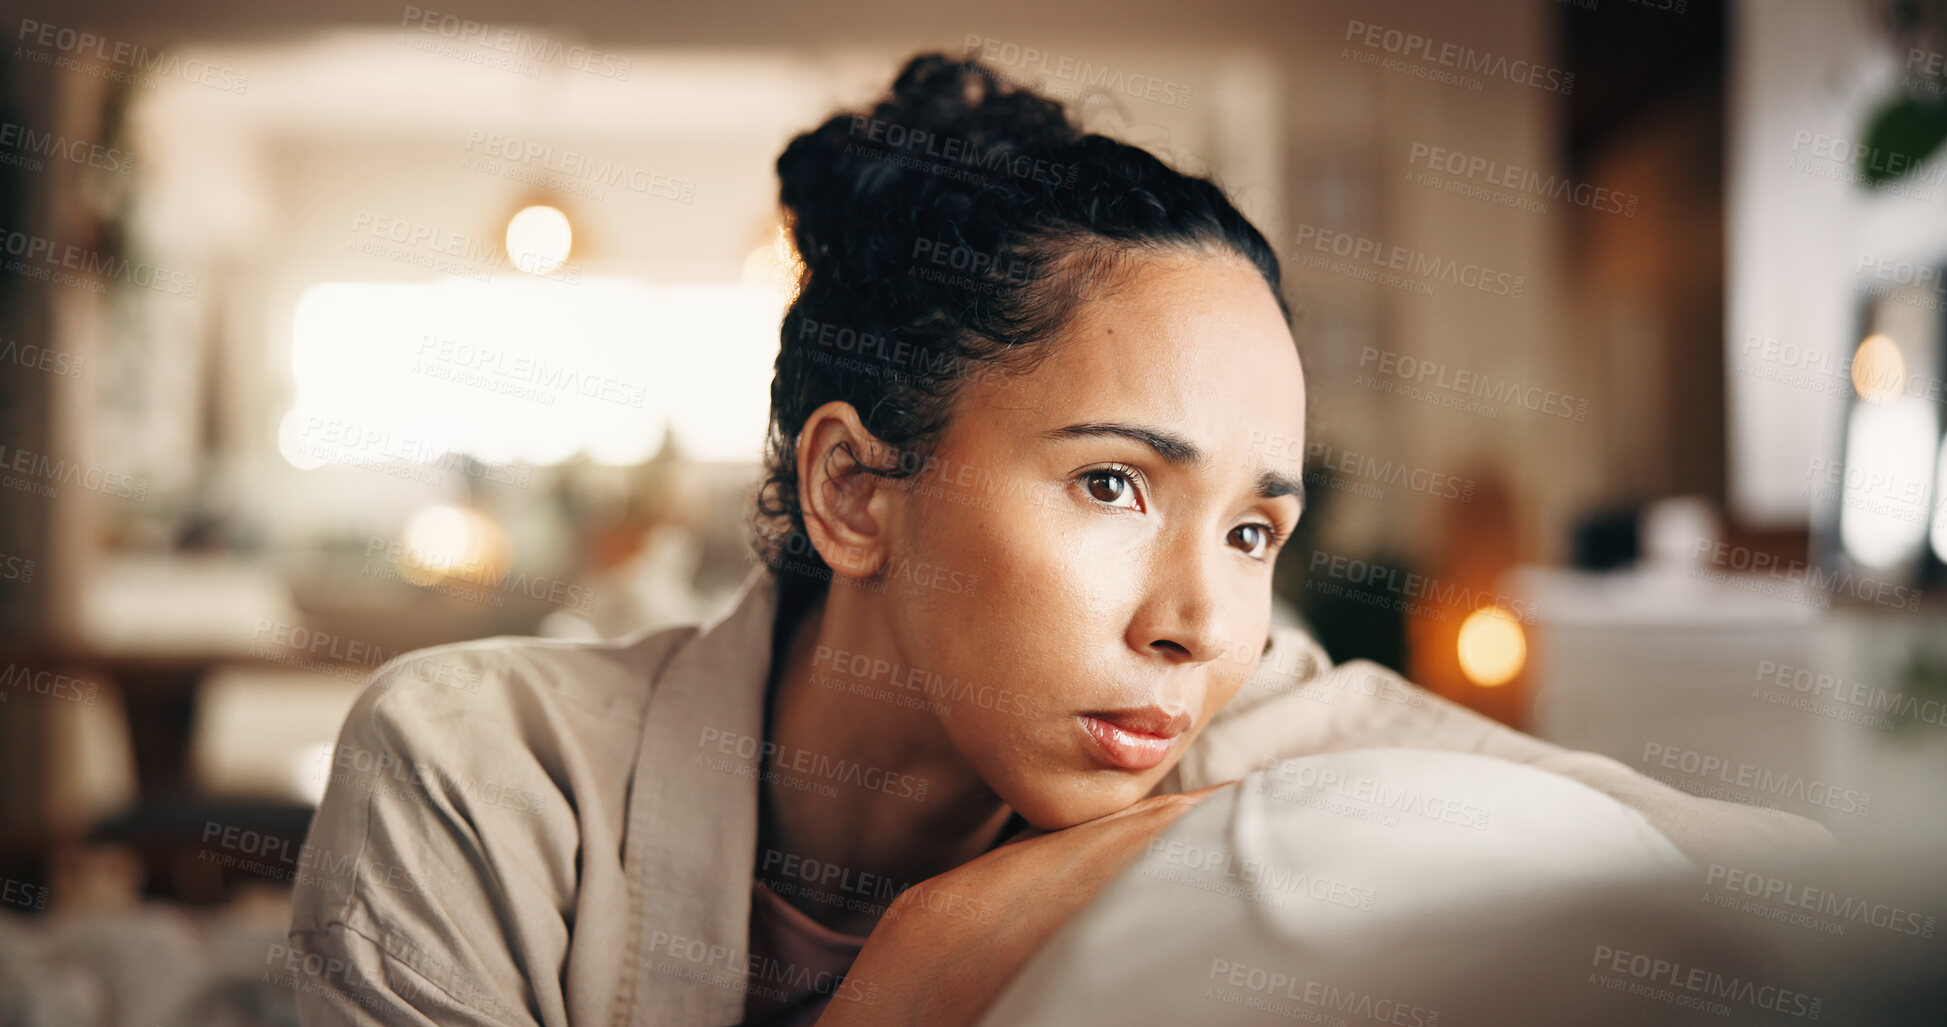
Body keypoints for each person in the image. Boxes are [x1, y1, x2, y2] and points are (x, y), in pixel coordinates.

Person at [286, 52, 1836, 1027]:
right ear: (854, 492)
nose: (1199, 625)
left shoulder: (1281, 724)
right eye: (1113, 485)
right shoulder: (476, 778)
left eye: (1251, 530)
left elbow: (1797, 897)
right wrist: (913, 985)